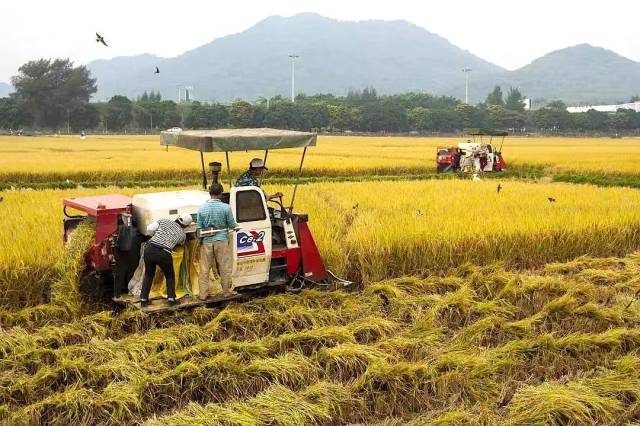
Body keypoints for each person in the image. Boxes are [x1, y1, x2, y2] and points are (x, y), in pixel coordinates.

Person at [139, 213, 192, 307]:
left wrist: (155, 235)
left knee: (149, 274)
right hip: (164, 253)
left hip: (150, 248)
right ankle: (171, 299)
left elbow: (149, 229)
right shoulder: (182, 234)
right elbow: (181, 244)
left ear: (177, 218)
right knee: (169, 275)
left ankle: (144, 300)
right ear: (186, 225)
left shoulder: (163, 221)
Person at [197, 183, 239, 300]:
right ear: (221, 193)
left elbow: (199, 228)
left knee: (204, 269)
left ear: (210, 193)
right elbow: (231, 224)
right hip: (221, 240)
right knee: (224, 267)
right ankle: (226, 292)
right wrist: (237, 226)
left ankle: (203, 294)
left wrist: (200, 243)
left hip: (206, 241)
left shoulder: (202, 209)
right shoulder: (226, 207)